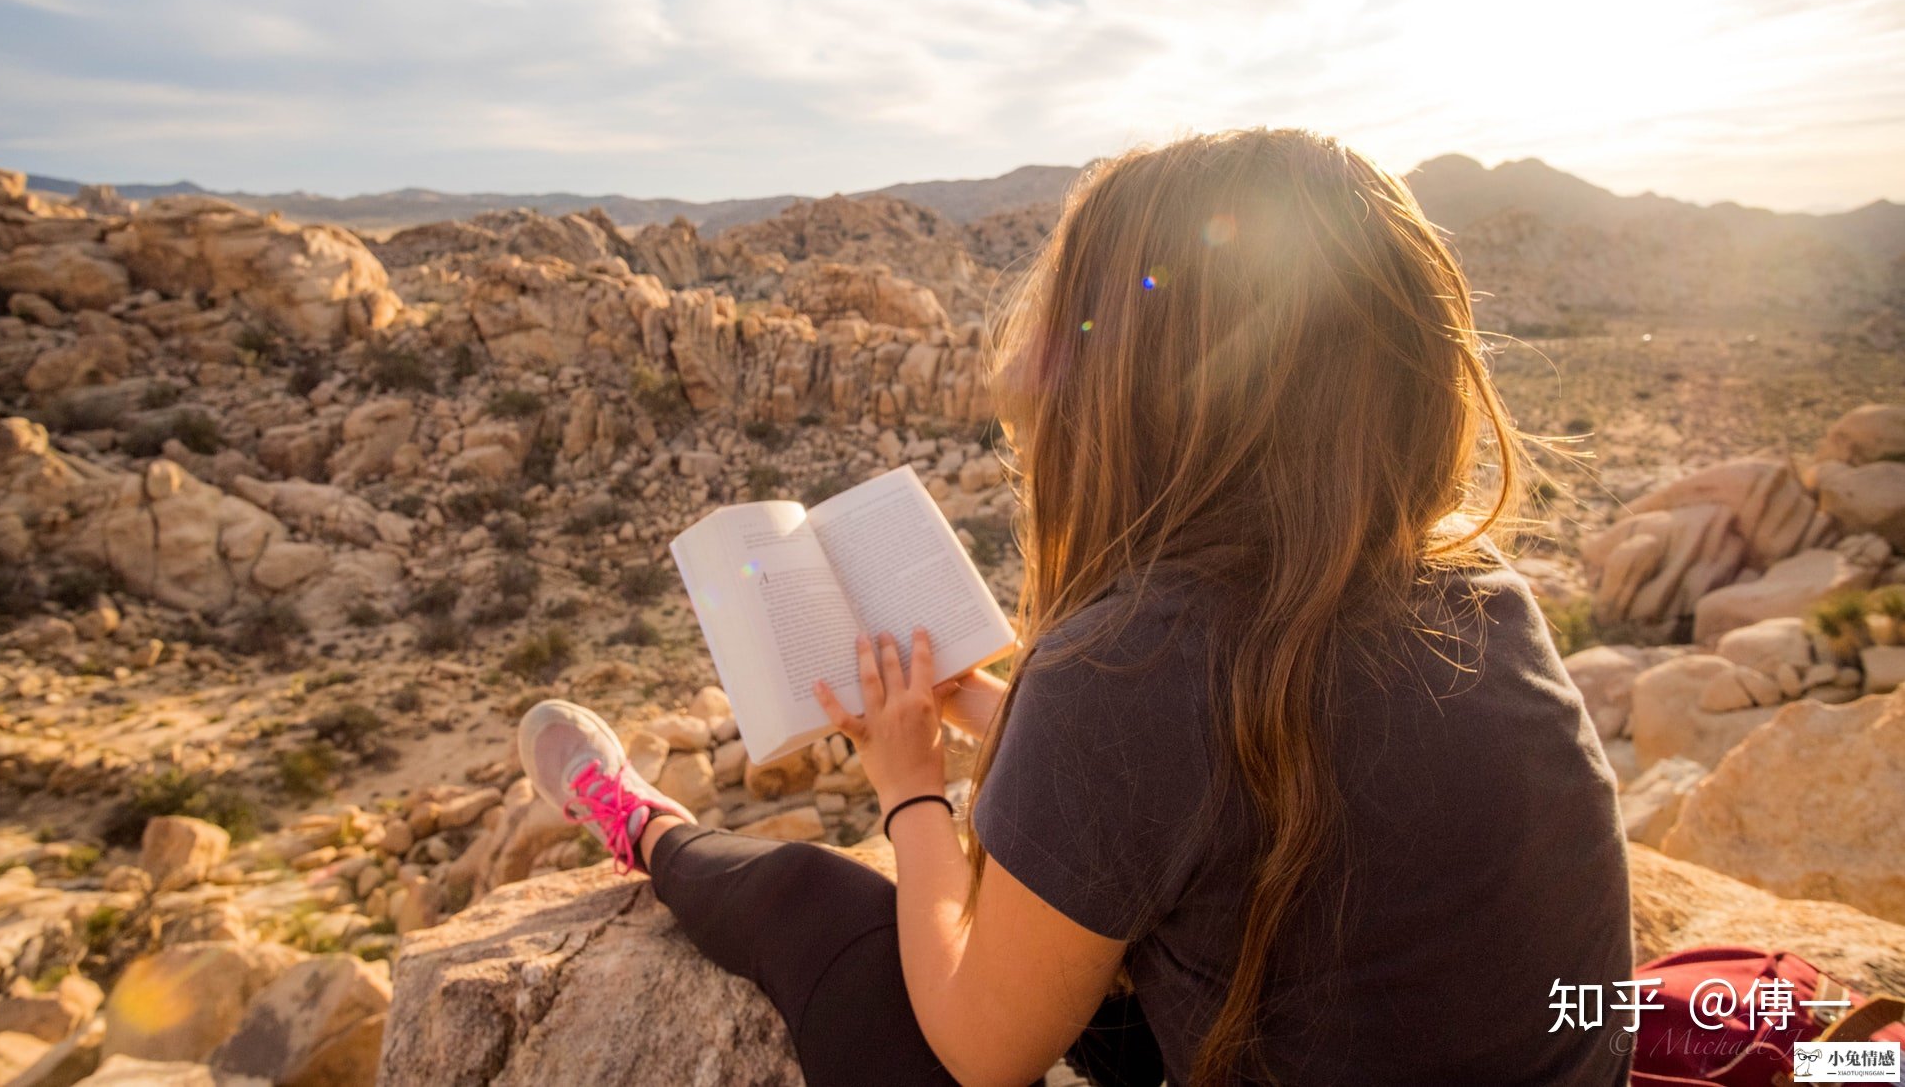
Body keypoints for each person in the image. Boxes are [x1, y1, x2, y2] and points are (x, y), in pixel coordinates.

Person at [519, 128, 1632, 1086]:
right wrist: (1010, 720)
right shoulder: (1486, 605)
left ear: (1137, 397)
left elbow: (980, 1048)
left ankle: (638, 822)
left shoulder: (1133, 665)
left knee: (821, 902)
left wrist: (911, 790)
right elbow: (1250, 790)